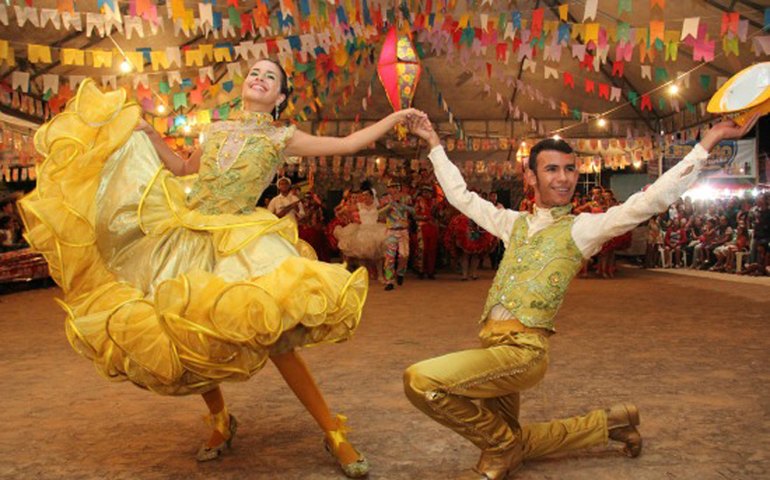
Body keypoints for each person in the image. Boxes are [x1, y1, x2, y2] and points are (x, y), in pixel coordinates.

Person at [18, 59, 423, 476]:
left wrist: (395, 116)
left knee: (278, 339)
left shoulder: (283, 136)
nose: (260, 78)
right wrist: (149, 135)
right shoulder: (216, 129)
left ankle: (333, 431)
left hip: (242, 241)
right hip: (188, 235)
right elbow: (181, 169)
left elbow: (348, 143)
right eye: (255, 73)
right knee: (189, 329)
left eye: (271, 76)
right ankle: (220, 421)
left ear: (280, 97)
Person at [402, 113, 758, 479]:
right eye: (552, 169)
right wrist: (434, 144)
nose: (564, 178)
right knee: (517, 438)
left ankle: (500, 447)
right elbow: (461, 197)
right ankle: (612, 423)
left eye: (570, 169)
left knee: (421, 381)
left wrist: (707, 143)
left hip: (522, 352)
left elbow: (647, 202)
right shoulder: (511, 223)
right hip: (490, 348)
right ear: (531, 177)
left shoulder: (581, 229)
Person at [379, 180, 414, 291]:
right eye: (391, 187)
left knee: (404, 255)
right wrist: (389, 205)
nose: (393, 189)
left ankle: (400, 272)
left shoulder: (406, 198)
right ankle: (389, 281)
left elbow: (413, 211)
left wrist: (403, 206)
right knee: (389, 258)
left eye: (396, 186)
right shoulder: (385, 199)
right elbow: (379, 213)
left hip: (403, 230)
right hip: (391, 230)